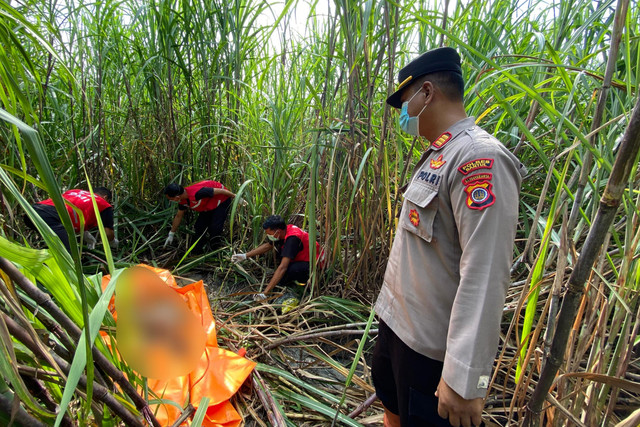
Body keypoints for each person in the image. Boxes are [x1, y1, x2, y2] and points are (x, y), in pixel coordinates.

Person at [372, 47, 526, 427]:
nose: (403, 113)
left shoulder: (479, 157)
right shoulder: (440, 154)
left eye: (405, 101)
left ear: (427, 93)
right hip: (397, 328)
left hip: (430, 350)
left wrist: (464, 377)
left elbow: (485, 270)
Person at [230, 215, 323, 301]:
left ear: (277, 231)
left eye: (269, 233)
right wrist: (245, 256)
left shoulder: (292, 239)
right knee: (281, 258)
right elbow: (268, 246)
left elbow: (283, 267)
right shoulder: (284, 231)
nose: (268, 236)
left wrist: (265, 293)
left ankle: (303, 286)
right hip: (302, 258)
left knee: (290, 270)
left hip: (315, 265)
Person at [163, 180, 243, 254]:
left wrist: (236, 197)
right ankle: (196, 252)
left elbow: (221, 191)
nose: (171, 201)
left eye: (171, 199)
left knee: (215, 228)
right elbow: (178, 216)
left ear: (177, 197)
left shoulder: (198, 193)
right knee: (199, 227)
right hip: (207, 205)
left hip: (221, 200)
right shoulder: (183, 201)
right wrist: (171, 234)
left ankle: (214, 251)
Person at [28, 187, 117, 252]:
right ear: (105, 198)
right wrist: (113, 242)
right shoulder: (104, 204)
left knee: (54, 249)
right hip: (51, 216)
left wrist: (85, 234)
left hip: (32, 211)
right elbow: (107, 233)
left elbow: (72, 210)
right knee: (67, 255)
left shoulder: (75, 191)